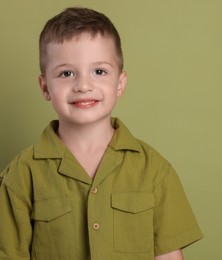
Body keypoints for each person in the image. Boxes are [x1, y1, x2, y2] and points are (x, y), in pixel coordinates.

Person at [0, 7, 202, 260]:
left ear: (120, 83)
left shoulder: (155, 171)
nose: (83, 85)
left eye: (99, 71)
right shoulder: (20, 176)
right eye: (66, 73)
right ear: (45, 87)